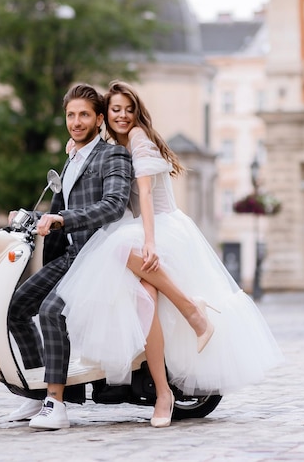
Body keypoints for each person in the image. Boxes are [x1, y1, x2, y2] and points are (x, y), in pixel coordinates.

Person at [56, 81, 284, 426]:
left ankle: (191, 317)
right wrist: (76, 145)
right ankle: (162, 390)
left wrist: (148, 242)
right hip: (140, 228)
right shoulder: (112, 144)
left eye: (128, 110)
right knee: (143, 301)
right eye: (115, 109)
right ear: (105, 116)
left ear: (136, 113)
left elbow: (145, 196)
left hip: (160, 227)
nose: (122, 115)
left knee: (117, 251)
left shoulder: (138, 139)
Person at [6, 83, 133, 430]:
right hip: (71, 254)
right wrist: (27, 219)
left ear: (99, 119)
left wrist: (64, 219)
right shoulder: (71, 158)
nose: (76, 122)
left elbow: (113, 205)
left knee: (51, 310)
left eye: (84, 115)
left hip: (99, 256)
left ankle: (56, 404)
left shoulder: (113, 156)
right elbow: (57, 208)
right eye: (71, 115)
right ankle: (36, 395)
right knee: (16, 308)